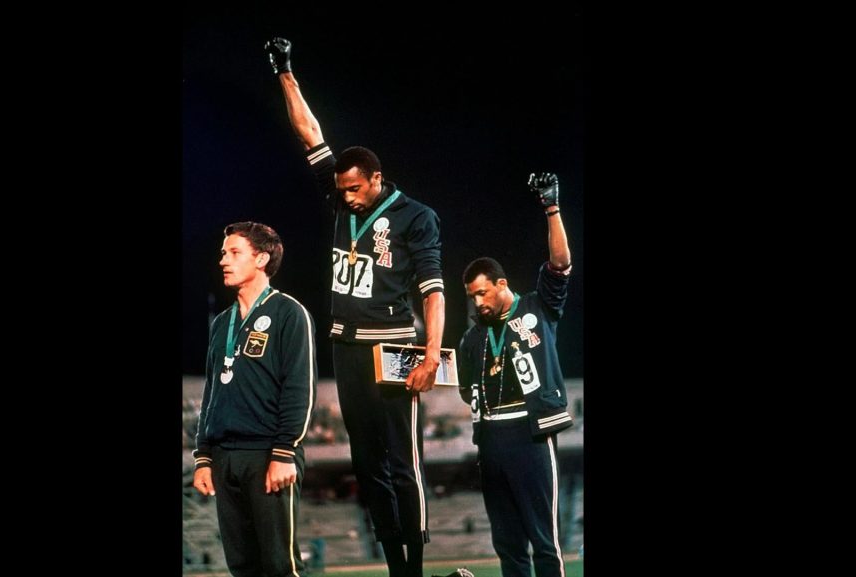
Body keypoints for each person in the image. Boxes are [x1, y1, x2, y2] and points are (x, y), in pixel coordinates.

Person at [264, 37, 446, 577]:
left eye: (354, 189)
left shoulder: (417, 217)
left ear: (376, 179)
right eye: (340, 190)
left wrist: (430, 355)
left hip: (394, 346)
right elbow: (310, 134)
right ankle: (394, 567)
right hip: (346, 346)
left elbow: (433, 291)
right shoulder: (341, 197)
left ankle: (415, 566)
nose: (345, 198)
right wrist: (284, 71)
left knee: (404, 463)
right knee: (367, 466)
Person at [457, 173, 574, 577]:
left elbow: (560, 265)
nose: (478, 302)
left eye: (483, 292)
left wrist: (551, 207)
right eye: (472, 296)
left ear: (502, 284)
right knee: (507, 546)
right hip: (489, 439)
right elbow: (465, 390)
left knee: (544, 541)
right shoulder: (472, 338)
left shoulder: (537, 308)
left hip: (530, 433)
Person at [192, 221, 317, 577]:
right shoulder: (222, 323)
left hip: (267, 454)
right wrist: (203, 456)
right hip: (223, 457)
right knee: (242, 566)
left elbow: (299, 389)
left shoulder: (289, 313)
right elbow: (211, 392)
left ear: (261, 259)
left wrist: (284, 452)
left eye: (234, 253)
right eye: (223, 253)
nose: (223, 261)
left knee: (280, 565)